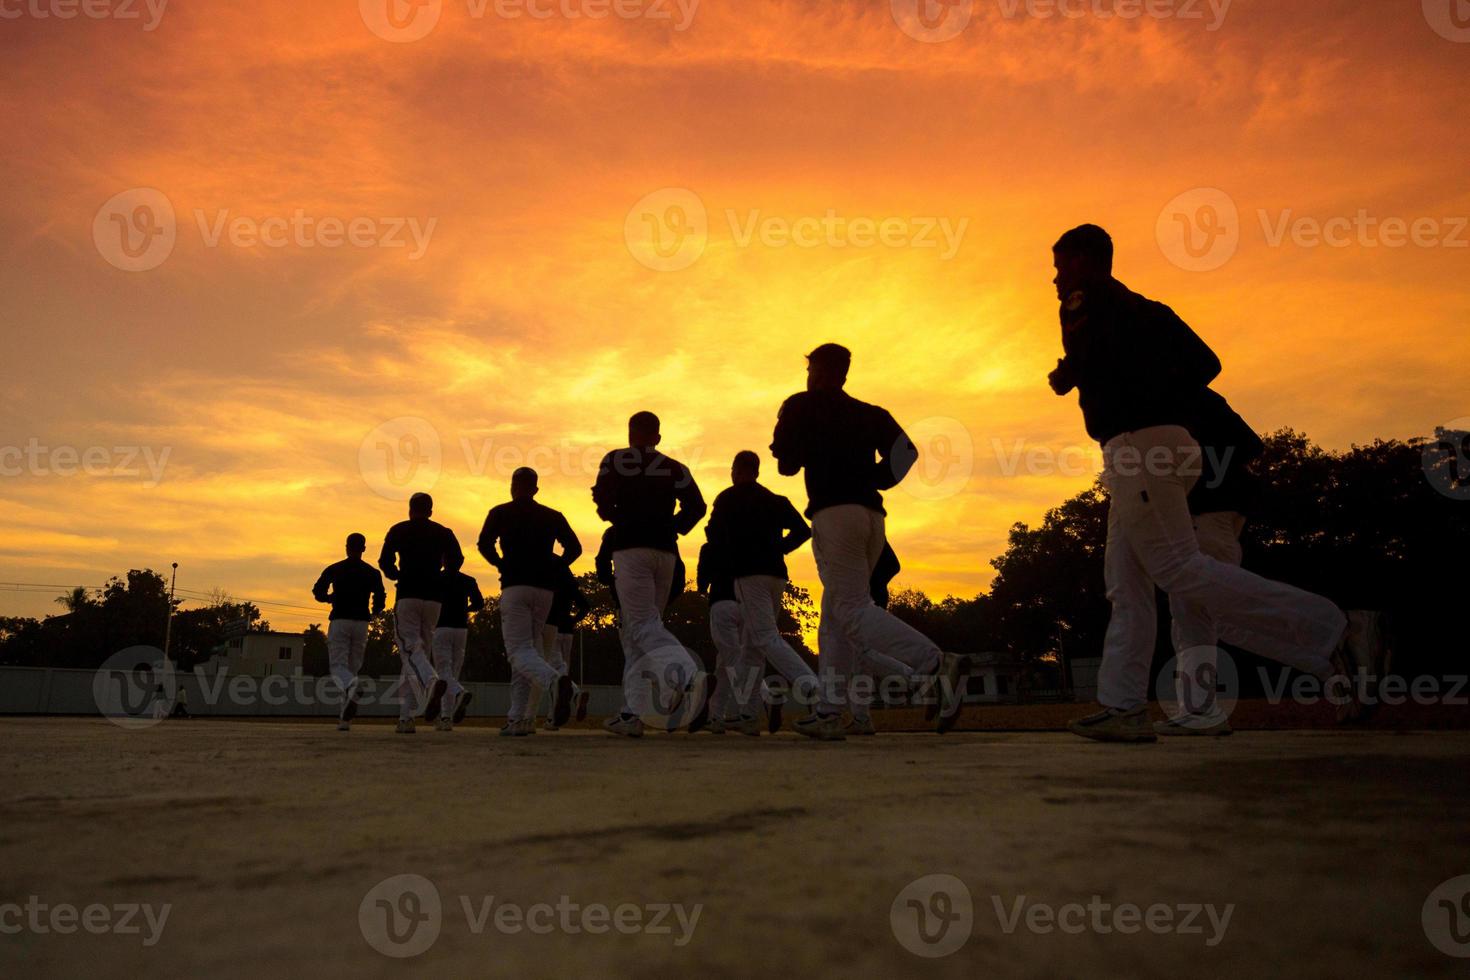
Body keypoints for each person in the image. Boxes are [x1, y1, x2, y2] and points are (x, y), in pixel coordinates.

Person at [1046, 223, 1380, 743]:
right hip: (1157, 449)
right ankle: (1125, 705)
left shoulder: (1082, 302)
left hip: (1138, 444)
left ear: (1087, 262)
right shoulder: (1152, 312)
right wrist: (1114, 377)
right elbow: (1208, 363)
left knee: (1178, 573)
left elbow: (1097, 354)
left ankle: (1336, 629)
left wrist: (1080, 372)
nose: (1055, 277)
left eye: (1060, 264)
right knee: (1127, 582)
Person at [771, 344, 968, 740]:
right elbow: (907, 451)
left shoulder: (800, 405)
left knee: (851, 607)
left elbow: (787, 466)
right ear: (844, 374)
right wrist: (877, 479)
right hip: (871, 517)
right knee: (834, 620)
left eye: (811, 370)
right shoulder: (869, 413)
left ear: (817, 372)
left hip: (834, 512)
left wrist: (802, 443)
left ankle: (934, 663)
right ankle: (828, 711)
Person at [592, 412, 711, 737]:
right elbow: (697, 507)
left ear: (631, 434)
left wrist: (618, 517)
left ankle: (687, 676)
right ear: (657, 436)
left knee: (642, 625)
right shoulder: (674, 467)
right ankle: (632, 713)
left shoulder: (615, 459)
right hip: (666, 550)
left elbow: (600, 498)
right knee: (639, 632)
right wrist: (672, 526)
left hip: (631, 546)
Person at [705, 451, 818, 727]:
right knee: (753, 646)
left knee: (765, 637)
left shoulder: (727, 499)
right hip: (776, 575)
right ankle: (749, 715)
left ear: (736, 470)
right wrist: (778, 549)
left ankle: (812, 687)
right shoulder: (774, 500)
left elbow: (713, 534)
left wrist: (733, 553)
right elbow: (803, 531)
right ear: (756, 470)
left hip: (748, 575)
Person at [478, 467, 581, 736]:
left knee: (518, 652)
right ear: (536, 488)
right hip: (544, 591)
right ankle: (519, 718)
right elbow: (575, 547)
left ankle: (554, 682)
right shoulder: (552, 516)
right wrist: (556, 566)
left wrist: (500, 563)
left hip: (516, 585)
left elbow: (484, 543)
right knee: (527, 654)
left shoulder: (500, 512)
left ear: (513, 486)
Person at [379, 493, 464, 734]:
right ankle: (408, 715)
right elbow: (457, 559)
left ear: (410, 509)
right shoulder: (443, 532)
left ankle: (430, 685)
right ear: (431, 510)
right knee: (417, 656)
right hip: (434, 599)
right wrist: (439, 573)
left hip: (408, 594)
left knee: (411, 652)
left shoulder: (399, 530)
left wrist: (395, 574)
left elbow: (385, 560)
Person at [696, 538, 772, 736]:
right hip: (748, 605)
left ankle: (761, 700)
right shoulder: (750, 544)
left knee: (731, 659)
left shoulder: (710, 547)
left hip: (721, 603)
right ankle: (716, 717)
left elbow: (702, 583)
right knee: (725, 664)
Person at [312, 532, 387, 732]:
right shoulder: (372, 572)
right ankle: (344, 719)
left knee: (339, 667)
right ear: (363, 548)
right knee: (352, 669)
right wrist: (375, 610)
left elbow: (318, 591)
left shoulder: (335, 569)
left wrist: (329, 598)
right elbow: (380, 596)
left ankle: (350, 697)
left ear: (346, 547)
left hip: (340, 620)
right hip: (361, 622)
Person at [537, 566, 592, 730]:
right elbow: (585, 606)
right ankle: (552, 717)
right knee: (561, 673)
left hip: (552, 627)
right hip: (568, 632)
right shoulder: (570, 587)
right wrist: (574, 620)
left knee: (555, 675)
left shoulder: (547, 584)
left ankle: (575, 695)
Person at [432, 569, 484, 731]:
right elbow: (479, 603)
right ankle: (447, 716)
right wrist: (465, 610)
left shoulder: (436, 578)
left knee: (443, 673)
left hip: (441, 627)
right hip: (461, 629)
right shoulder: (468, 580)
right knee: (452, 673)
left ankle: (457, 694)